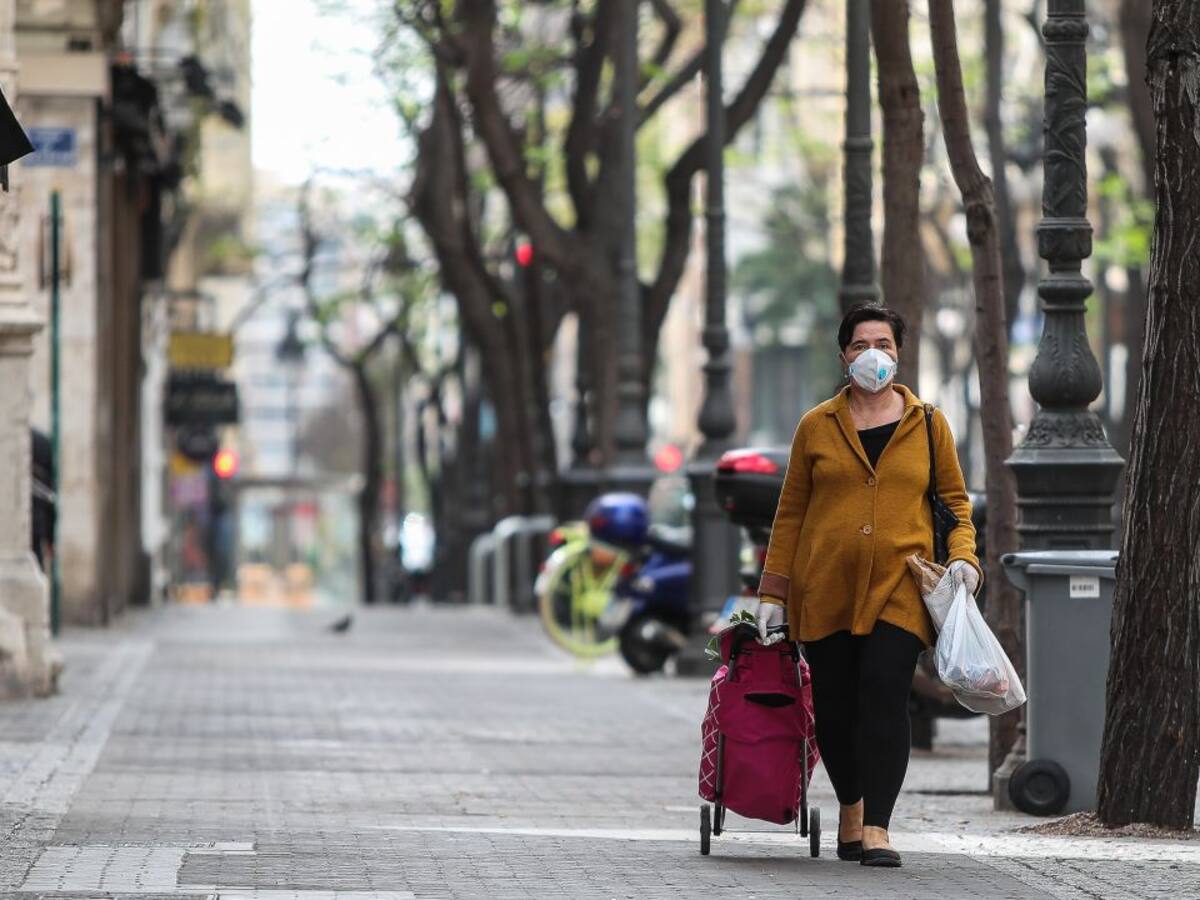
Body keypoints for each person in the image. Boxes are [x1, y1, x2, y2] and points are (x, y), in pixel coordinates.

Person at [756, 303, 980, 868]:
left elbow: (955, 503)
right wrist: (771, 593)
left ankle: (878, 825)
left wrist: (964, 560)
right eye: (860, 344)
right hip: (825, 586)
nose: (872, 353)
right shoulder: (816, 425)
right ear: (843, 355)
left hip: (900, 586)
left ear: (898, 353)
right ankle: (850, 808)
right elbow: (789, 516)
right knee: (833, 708)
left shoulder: (928, 423)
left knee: (884, 691)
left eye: (882, 342)